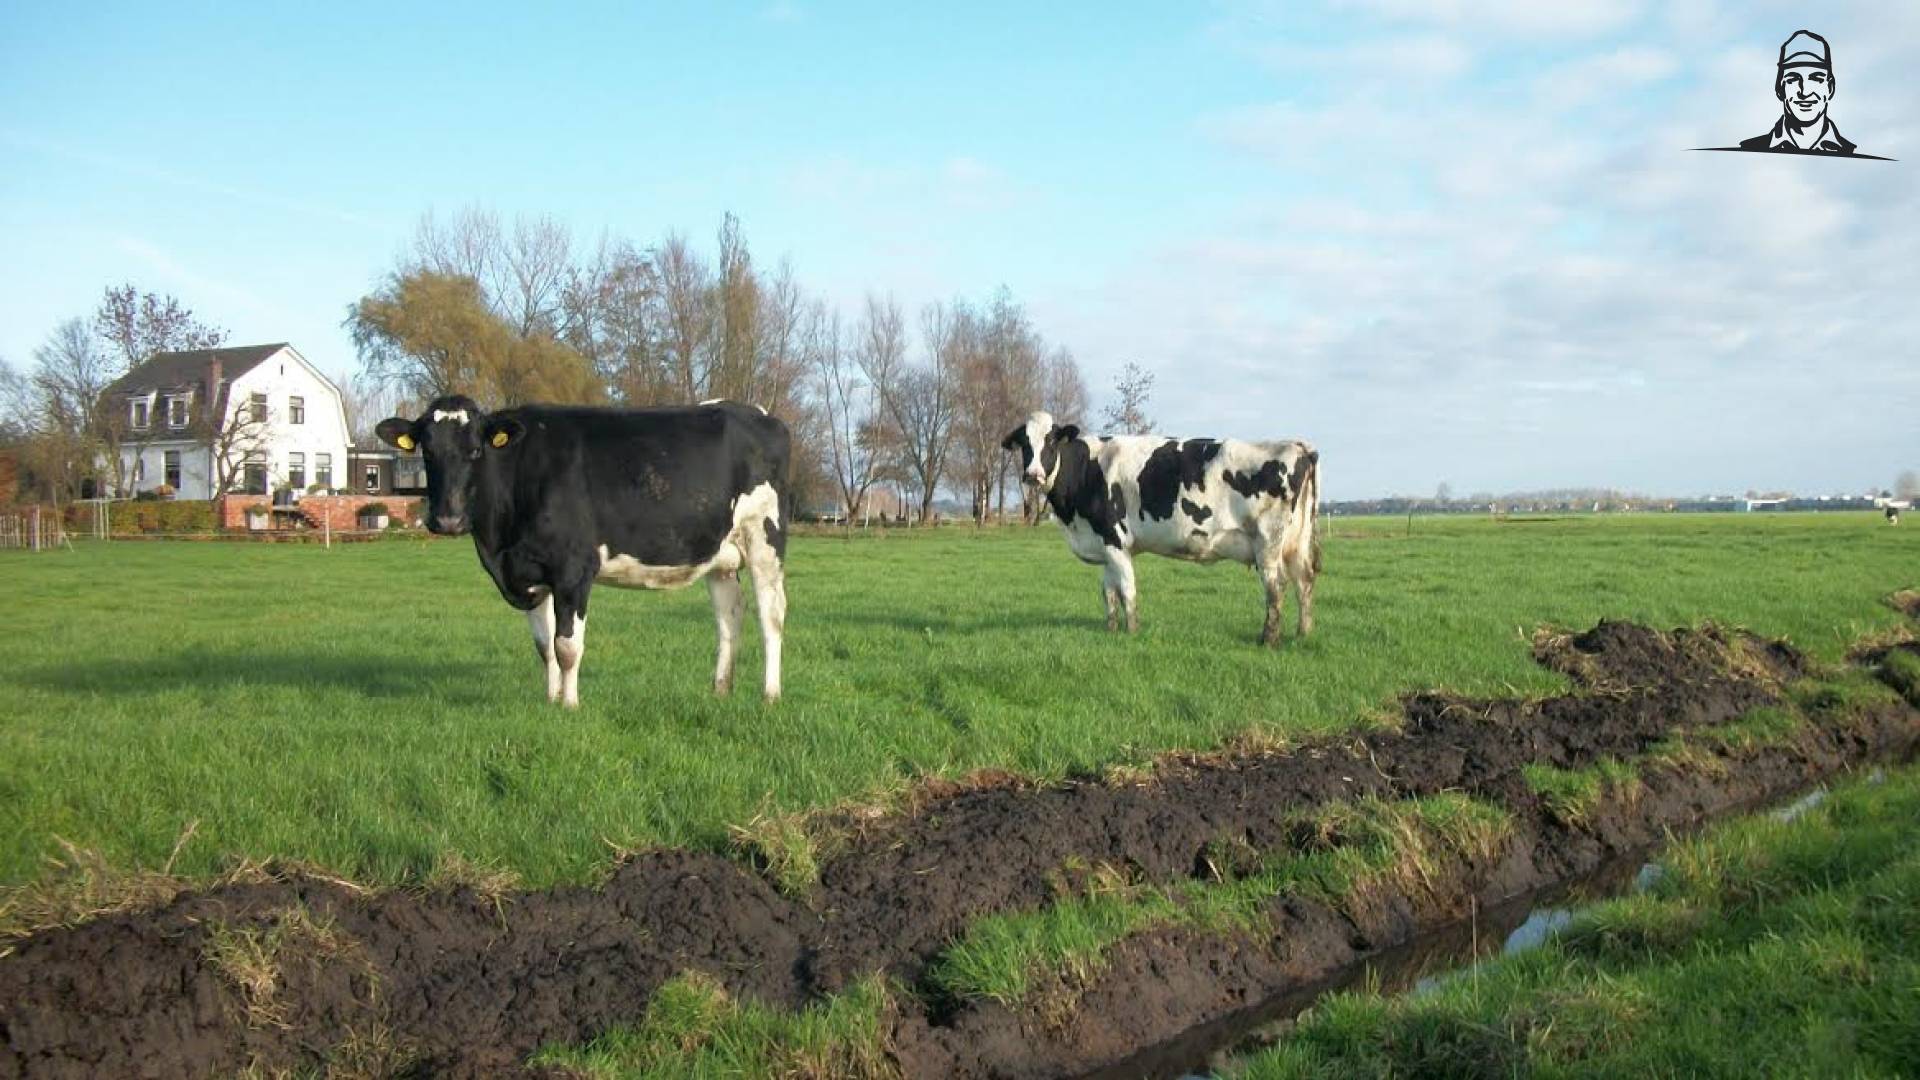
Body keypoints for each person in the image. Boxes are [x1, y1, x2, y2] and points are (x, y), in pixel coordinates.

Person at [1738, 31, 1858, 155]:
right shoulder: (1748, 151)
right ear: (1779, 89)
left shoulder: (1852, 154)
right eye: (1793, 79)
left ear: (1830, 88)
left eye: (1816, 79)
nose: (1805, 92)